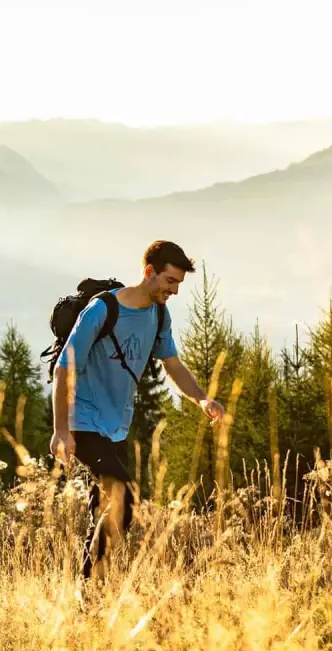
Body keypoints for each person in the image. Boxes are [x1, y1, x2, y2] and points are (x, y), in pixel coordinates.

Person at [50, 240, 225, 584]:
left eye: (178, 284)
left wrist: (202, 399)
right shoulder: (102, 310)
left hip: (117, 426)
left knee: (104, 508)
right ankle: (91, 586)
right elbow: (64, 369)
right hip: (84, 422)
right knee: (125, 496)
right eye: (170, 281)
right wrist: (60, 430)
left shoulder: (159, 315)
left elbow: (172, 364)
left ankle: (88, 591)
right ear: (149, 273)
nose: (174, 291)